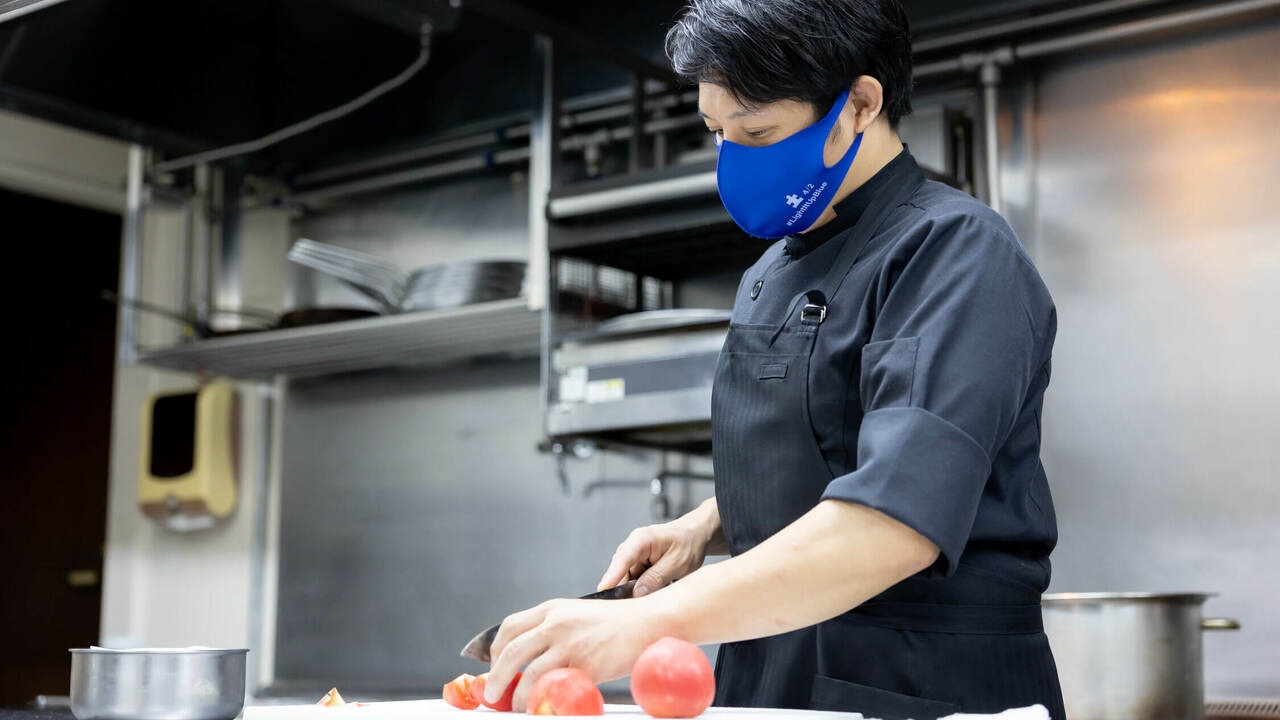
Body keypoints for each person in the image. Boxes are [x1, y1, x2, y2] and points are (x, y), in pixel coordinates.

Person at [482, 2, 1065, 718]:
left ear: (859, 103)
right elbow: (832, 442)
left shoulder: (956, 252)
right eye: (717, 133)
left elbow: (896, 518)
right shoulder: (768, 273)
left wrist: (640, 624)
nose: (733, 158)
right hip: (766, 679)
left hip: (919, 683)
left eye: (756, 133)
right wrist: (711, 521)